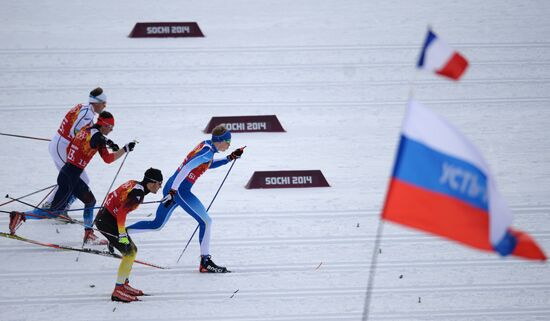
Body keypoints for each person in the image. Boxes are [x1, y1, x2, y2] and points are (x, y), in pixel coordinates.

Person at [127, 125, 244, 273]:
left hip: (174, 186)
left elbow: (206, 164)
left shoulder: (207, 146)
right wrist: (173, 191)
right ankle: (205, 262)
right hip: (180, 190)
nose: (229, 144)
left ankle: (122, 234)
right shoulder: (207, 152)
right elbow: (186, 169)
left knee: (157, 224)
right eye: (228, 141)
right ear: (220, 141)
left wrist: (229, 158)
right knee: (206, 221)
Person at [9, 111, 136, 245]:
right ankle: (20, 216)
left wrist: (116, 145)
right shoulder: (98, 138)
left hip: (69, 173)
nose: (111, 130)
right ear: (104, 125)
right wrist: (117, 146)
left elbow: (95, 149)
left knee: (90, 201)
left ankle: (88, 234)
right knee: (53, 212)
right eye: (110, 127)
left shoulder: (85, 130)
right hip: (70, 176)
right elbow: (105, 152)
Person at [95, 168, 163, 302]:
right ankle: (118, 290)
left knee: (132, 250)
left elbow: (113, 196)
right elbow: (121, 213)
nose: (160, 186)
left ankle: (124, 284)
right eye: (160, 183)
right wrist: (122, 234)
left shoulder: (136, 184)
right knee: (130, 253)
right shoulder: (137, 194)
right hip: (108, 221)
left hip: (107, 217)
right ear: (152, 183)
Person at [44, 87, 108, 213]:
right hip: (62, 146)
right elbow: (76, 131)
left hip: (59, 143)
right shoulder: (88, 113)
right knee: (78, 179)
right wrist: (88, 142)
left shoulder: (82, 107)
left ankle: (51, 205)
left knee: (68, 178)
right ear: (97, 102)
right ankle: (60, 209)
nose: (104, 106)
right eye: (104, 103)